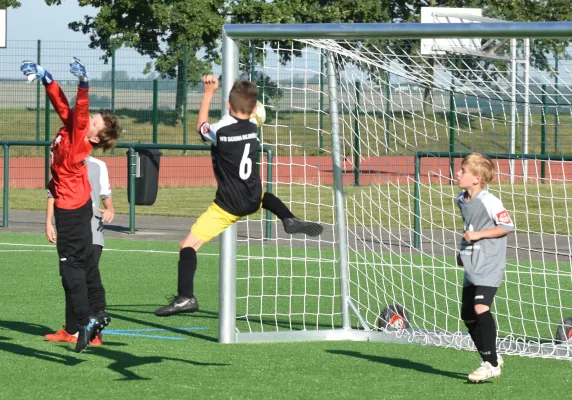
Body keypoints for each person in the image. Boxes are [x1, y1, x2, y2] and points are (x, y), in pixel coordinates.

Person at [154, 75, 323, 317]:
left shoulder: (220, 130)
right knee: (266, 197)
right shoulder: (253, 127)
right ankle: (288, 218)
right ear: (254, 108)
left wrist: (209, 92)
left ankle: (185, 297)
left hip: (227, 205)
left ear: (227, 105)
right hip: (252, 196)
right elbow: (252, 112)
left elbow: (200, 126)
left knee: (187, 246)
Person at [20, 58, 121, 352]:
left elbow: (79, 112)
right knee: (86, 266)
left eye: (93, 121)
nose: (87, 118)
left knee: (71, 268)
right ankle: (98, 313)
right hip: (76, 207)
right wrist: (47, 78)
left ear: (93, 135)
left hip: (71, 210)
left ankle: (85, 322)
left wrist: (84, 86)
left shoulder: (80, 138)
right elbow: (64, 107)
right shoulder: (74, 129)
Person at [44, 156, 115, 347]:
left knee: (86, 279)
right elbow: (53, 194)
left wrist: (109, 209)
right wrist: (49, 223)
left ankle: (93, 330)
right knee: (70, 280)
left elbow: (106, 196)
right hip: (68, 230)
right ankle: (71, 330)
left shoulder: (99, 165)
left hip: (92, 231)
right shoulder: (61, 163)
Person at [455, 153, 514, 382]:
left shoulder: (490, 200)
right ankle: (492, 357)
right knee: (467, 315)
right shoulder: (461, 198)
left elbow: (507, 225)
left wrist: (479, 235)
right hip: (473, 261)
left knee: (480, 307)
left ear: (477, 177)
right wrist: (464, 251)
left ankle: (489, 363)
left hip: (490, 262)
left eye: (463, 170)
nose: (457, 173)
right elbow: (470, 227)